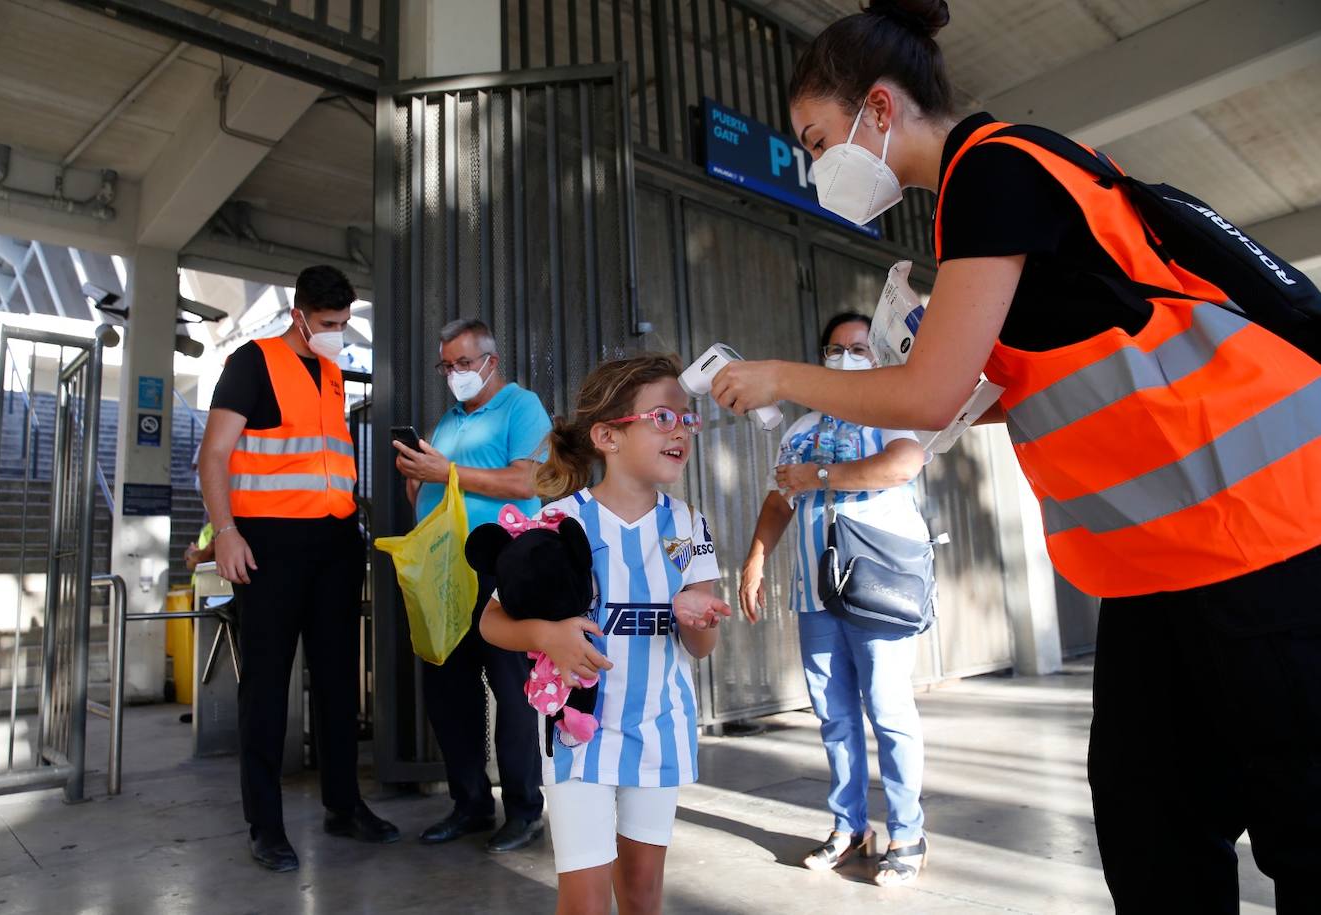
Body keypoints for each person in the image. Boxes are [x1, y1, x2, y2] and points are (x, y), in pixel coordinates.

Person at [707, 2, 1321, 911]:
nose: (810, 163)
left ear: (878, 109)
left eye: (814, 137)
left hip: (1259, 538)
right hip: (1163, 566)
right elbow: (1006, 393)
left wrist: (779, 378)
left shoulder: (993, 171)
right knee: (1148, 824)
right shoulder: (986, 194)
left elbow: (922, 394)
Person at [479, 353, 731, 915]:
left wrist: (699, 621)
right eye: (663, 418)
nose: (682, 431)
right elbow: (490, 623)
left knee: (643, 894)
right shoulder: (558, 521)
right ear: (607, 437)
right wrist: (548, 635)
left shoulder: (690, 526)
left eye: (687, 419)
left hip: (660, 728)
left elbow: (703, 647)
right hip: (579, 736)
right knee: (585, 900)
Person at [199, 265, 399, 872]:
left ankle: (344, 805)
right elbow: (212, 456)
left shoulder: (333, 372)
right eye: (328, 324)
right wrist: (226, 533)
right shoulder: (251, 363)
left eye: (343, 323)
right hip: (267, 545)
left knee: (339, 681)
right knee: (265, 686)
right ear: (299, 315)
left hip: (334, 542)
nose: (337, 333)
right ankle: (265, 826)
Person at [740, 311, 930, 883]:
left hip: (877, 587)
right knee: (834, 716)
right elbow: (779, 499)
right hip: (815, 592)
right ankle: (849, 827)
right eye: (834, 348)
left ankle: (908, 835)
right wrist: (755, 559)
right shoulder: (800, 429)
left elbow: (903, 465)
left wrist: (819, 477)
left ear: (879, 357)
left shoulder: (899, 411)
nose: (845, 357)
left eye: (858, 348)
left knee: (890, 711)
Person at [393, 318, 552, 853]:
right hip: (446, 570)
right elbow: (433, 492)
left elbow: (529, 480)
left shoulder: (521, 406)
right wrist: (419, 479)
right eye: (446, 365)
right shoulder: (447, 421)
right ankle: (470, 804)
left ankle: (525, 810)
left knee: (512, 690)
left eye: (464, 363)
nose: (454, 374)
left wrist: (449, 473)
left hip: (504, 565)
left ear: (491, 360)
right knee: (449, 691)